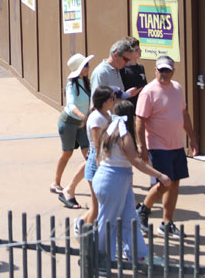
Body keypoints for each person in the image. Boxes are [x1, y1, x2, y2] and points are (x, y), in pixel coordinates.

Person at [93, 100, 171, 263]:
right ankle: (100, 258)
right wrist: (160, 176)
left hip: (116, 180)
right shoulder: (123, 134)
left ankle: (138, 255)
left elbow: (100, 159)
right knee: (108, 222)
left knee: (130, 219)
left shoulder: (108, 131)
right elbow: (136, 160)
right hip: (114, 181)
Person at [135, 56, 199, 237]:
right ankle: (143, 210)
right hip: (157, 145)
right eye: (160, 70)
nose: (164, 74)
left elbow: (183, 114)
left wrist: (192, 138)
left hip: (176, 145)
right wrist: (142, 146)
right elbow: (140, 120)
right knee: (165, 182)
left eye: (167, 70)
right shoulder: (148, 92)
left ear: (173, 71)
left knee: (174, 183)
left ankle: (167, 223)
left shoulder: (177, 88)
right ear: (155, 70)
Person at [72, 85, 123, 235]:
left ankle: (81, 224)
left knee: (101, 206)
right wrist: (102, 167)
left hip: (104, 160)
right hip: (96, 164)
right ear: (103, 101)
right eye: (112, 98)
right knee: (96, 207)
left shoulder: (106, 114)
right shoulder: (96, 118)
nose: (115, 100)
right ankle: (86, 236)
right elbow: (97, 145)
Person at [51, 53, 94, 209]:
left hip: (82, 124)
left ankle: (94, 183)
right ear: (80, 69)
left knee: (89, 154)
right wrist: (83, 116)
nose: (88, 67)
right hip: (68, 123)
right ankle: (56, 183)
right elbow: (70, 106)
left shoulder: (86, 82)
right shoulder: (71, 85)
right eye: (85, 65)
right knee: (67, 153)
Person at [118, 36, 147, 102]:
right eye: (136, 50)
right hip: (128, 104)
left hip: (140, 103)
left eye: (139, 48)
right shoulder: (122, 69)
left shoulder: (140, 67)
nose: (140, 51)